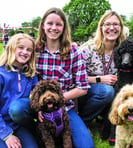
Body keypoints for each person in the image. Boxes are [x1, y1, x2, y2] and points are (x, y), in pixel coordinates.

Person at [35, 7, 94, 147]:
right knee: (18, 109)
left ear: (64, 27)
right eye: (50, 23)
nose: (53, 28)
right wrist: (38, 106)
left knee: (86, 145)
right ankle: (29, 129)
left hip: (65, 108)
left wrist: (56, 99)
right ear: (43, 25)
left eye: (58, 24)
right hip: (39, 108)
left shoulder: (74, 51)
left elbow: (83, 87)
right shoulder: (35, 50)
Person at [79, 10, 126, 140]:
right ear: (101, 27)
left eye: (116, 24)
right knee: (106, 91)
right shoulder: (87, 48)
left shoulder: (122, 49)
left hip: (105, 90)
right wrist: (99, 79)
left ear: (121, 28)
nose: (112, 28)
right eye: (107, 24)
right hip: (84, 91)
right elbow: (73, 77)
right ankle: (82, 121)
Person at [0, 33, 38, 148]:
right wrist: (6, 135)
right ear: (11, 48)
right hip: (2, 124)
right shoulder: (1, 73)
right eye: (21, 48)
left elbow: (38, 94)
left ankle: (32, 131)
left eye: (29, 50)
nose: (25, 52)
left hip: (18, 124)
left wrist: (41, 110)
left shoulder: (30, 74)